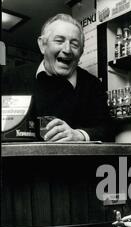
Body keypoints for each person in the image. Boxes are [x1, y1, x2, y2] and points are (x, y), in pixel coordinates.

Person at [2, 14, 113, 142]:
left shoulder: (92, 85)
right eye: (59, 41)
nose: (67, 50)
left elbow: (107, 130)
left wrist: (79, 135)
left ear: (81, 52)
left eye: (75, 44)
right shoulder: (12, 78)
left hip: (73, 161)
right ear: (43, 45)